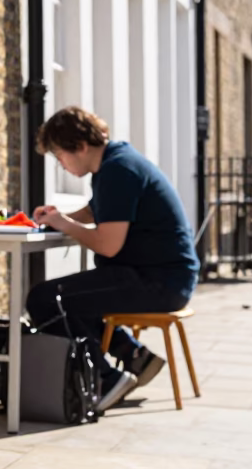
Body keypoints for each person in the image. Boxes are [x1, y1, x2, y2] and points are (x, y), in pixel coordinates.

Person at [26, 107, 199, 412]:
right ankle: (133, 356)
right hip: (164, 277)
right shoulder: (116, 162)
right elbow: (96, 211)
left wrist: (65, 224)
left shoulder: (118, 171)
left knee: (45, 299)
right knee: (75, 297)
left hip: (158, 283)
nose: (60, 165)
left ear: (79, 146)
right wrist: (57, 217)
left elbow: (108, 246)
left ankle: (106, 379)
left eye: (59, 155)